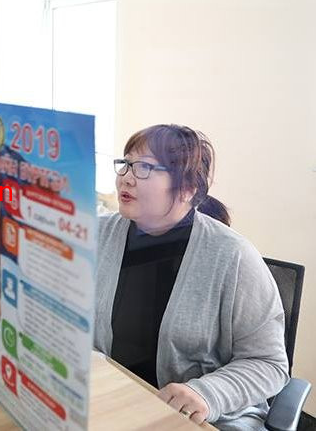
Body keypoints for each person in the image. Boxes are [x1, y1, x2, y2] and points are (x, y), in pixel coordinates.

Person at [94, 124, 288, 430]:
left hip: (208, 417)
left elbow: (269, 363)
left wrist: (207, 393)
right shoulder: (96, 234)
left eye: (144, 167)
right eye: (126, 163)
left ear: (187, 189)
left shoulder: (233, 256)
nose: (126, 177)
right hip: (116, 401)